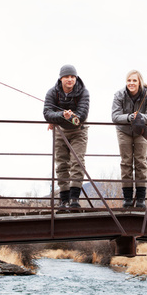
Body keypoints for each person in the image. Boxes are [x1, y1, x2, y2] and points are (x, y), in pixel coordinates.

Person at [43, 64, 90, 209]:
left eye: (72, 77)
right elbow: (47, 113)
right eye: (66, 77)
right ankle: (64, 200)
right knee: (61, 164)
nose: (70, 79)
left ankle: (74, 198)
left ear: (76, 78)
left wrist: (71, 116)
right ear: (61, 78)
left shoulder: (84, 92)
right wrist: (62, 115)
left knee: (77, 161)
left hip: (79, 131)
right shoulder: (52, 92)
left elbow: (82, 115)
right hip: (60, 132)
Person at [111, 70, 147, 208]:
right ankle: (127, 199)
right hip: (123, 130)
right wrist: (130, 117)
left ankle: (141, 199)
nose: (131, 83)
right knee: (126, 162)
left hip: (141, 131)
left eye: (134, 80)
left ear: (139, 82)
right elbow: (115, 116)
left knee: (140, 162)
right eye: (129, 80)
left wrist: (141, 117)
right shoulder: (119, 94)